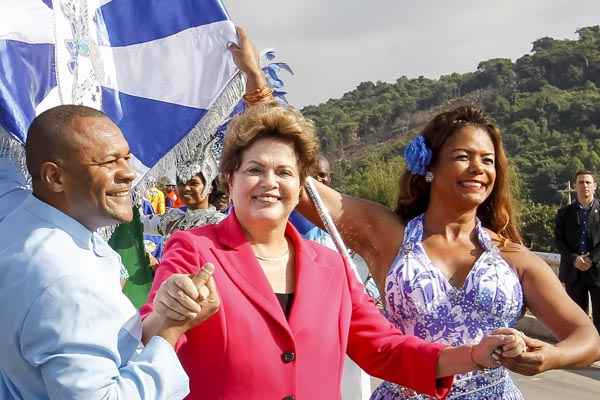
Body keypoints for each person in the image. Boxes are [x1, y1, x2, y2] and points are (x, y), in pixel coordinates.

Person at [140, 102, 516, 400]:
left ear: (301, 184)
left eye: (285, 173)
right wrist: (165, 315)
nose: (269, 183)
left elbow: (385, 348)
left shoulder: (330, 267)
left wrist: (472, 356)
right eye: (255, 170)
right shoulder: (195, 250)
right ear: (230, 178)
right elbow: (145, 341)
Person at [297, 105, 600, 399]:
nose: (478, 168)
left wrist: (552, 356)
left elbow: (588, 337)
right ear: (429, 166)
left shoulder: (512, 257)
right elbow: (296, 182)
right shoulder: (389, 236)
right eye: (462, 156)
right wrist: (259, 88)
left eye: (488, 160)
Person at [0, 105, 219, 399]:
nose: (129, 174)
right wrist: (170, 333)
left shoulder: (20, 218)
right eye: (108, 162)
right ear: (54, 177)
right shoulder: (67, 279)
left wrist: (163, 316)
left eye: (126, 158)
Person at [555, 170, 600, 333]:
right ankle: (581, 351)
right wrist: (574, 259)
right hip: (573, 272)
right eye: (581, 182)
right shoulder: (564, 213)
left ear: (594, 186)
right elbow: (558, 241)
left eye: (588, 182)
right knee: (577, 317)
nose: (585, 186)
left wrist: (591, 259)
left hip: (597, 271)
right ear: (575, 187)